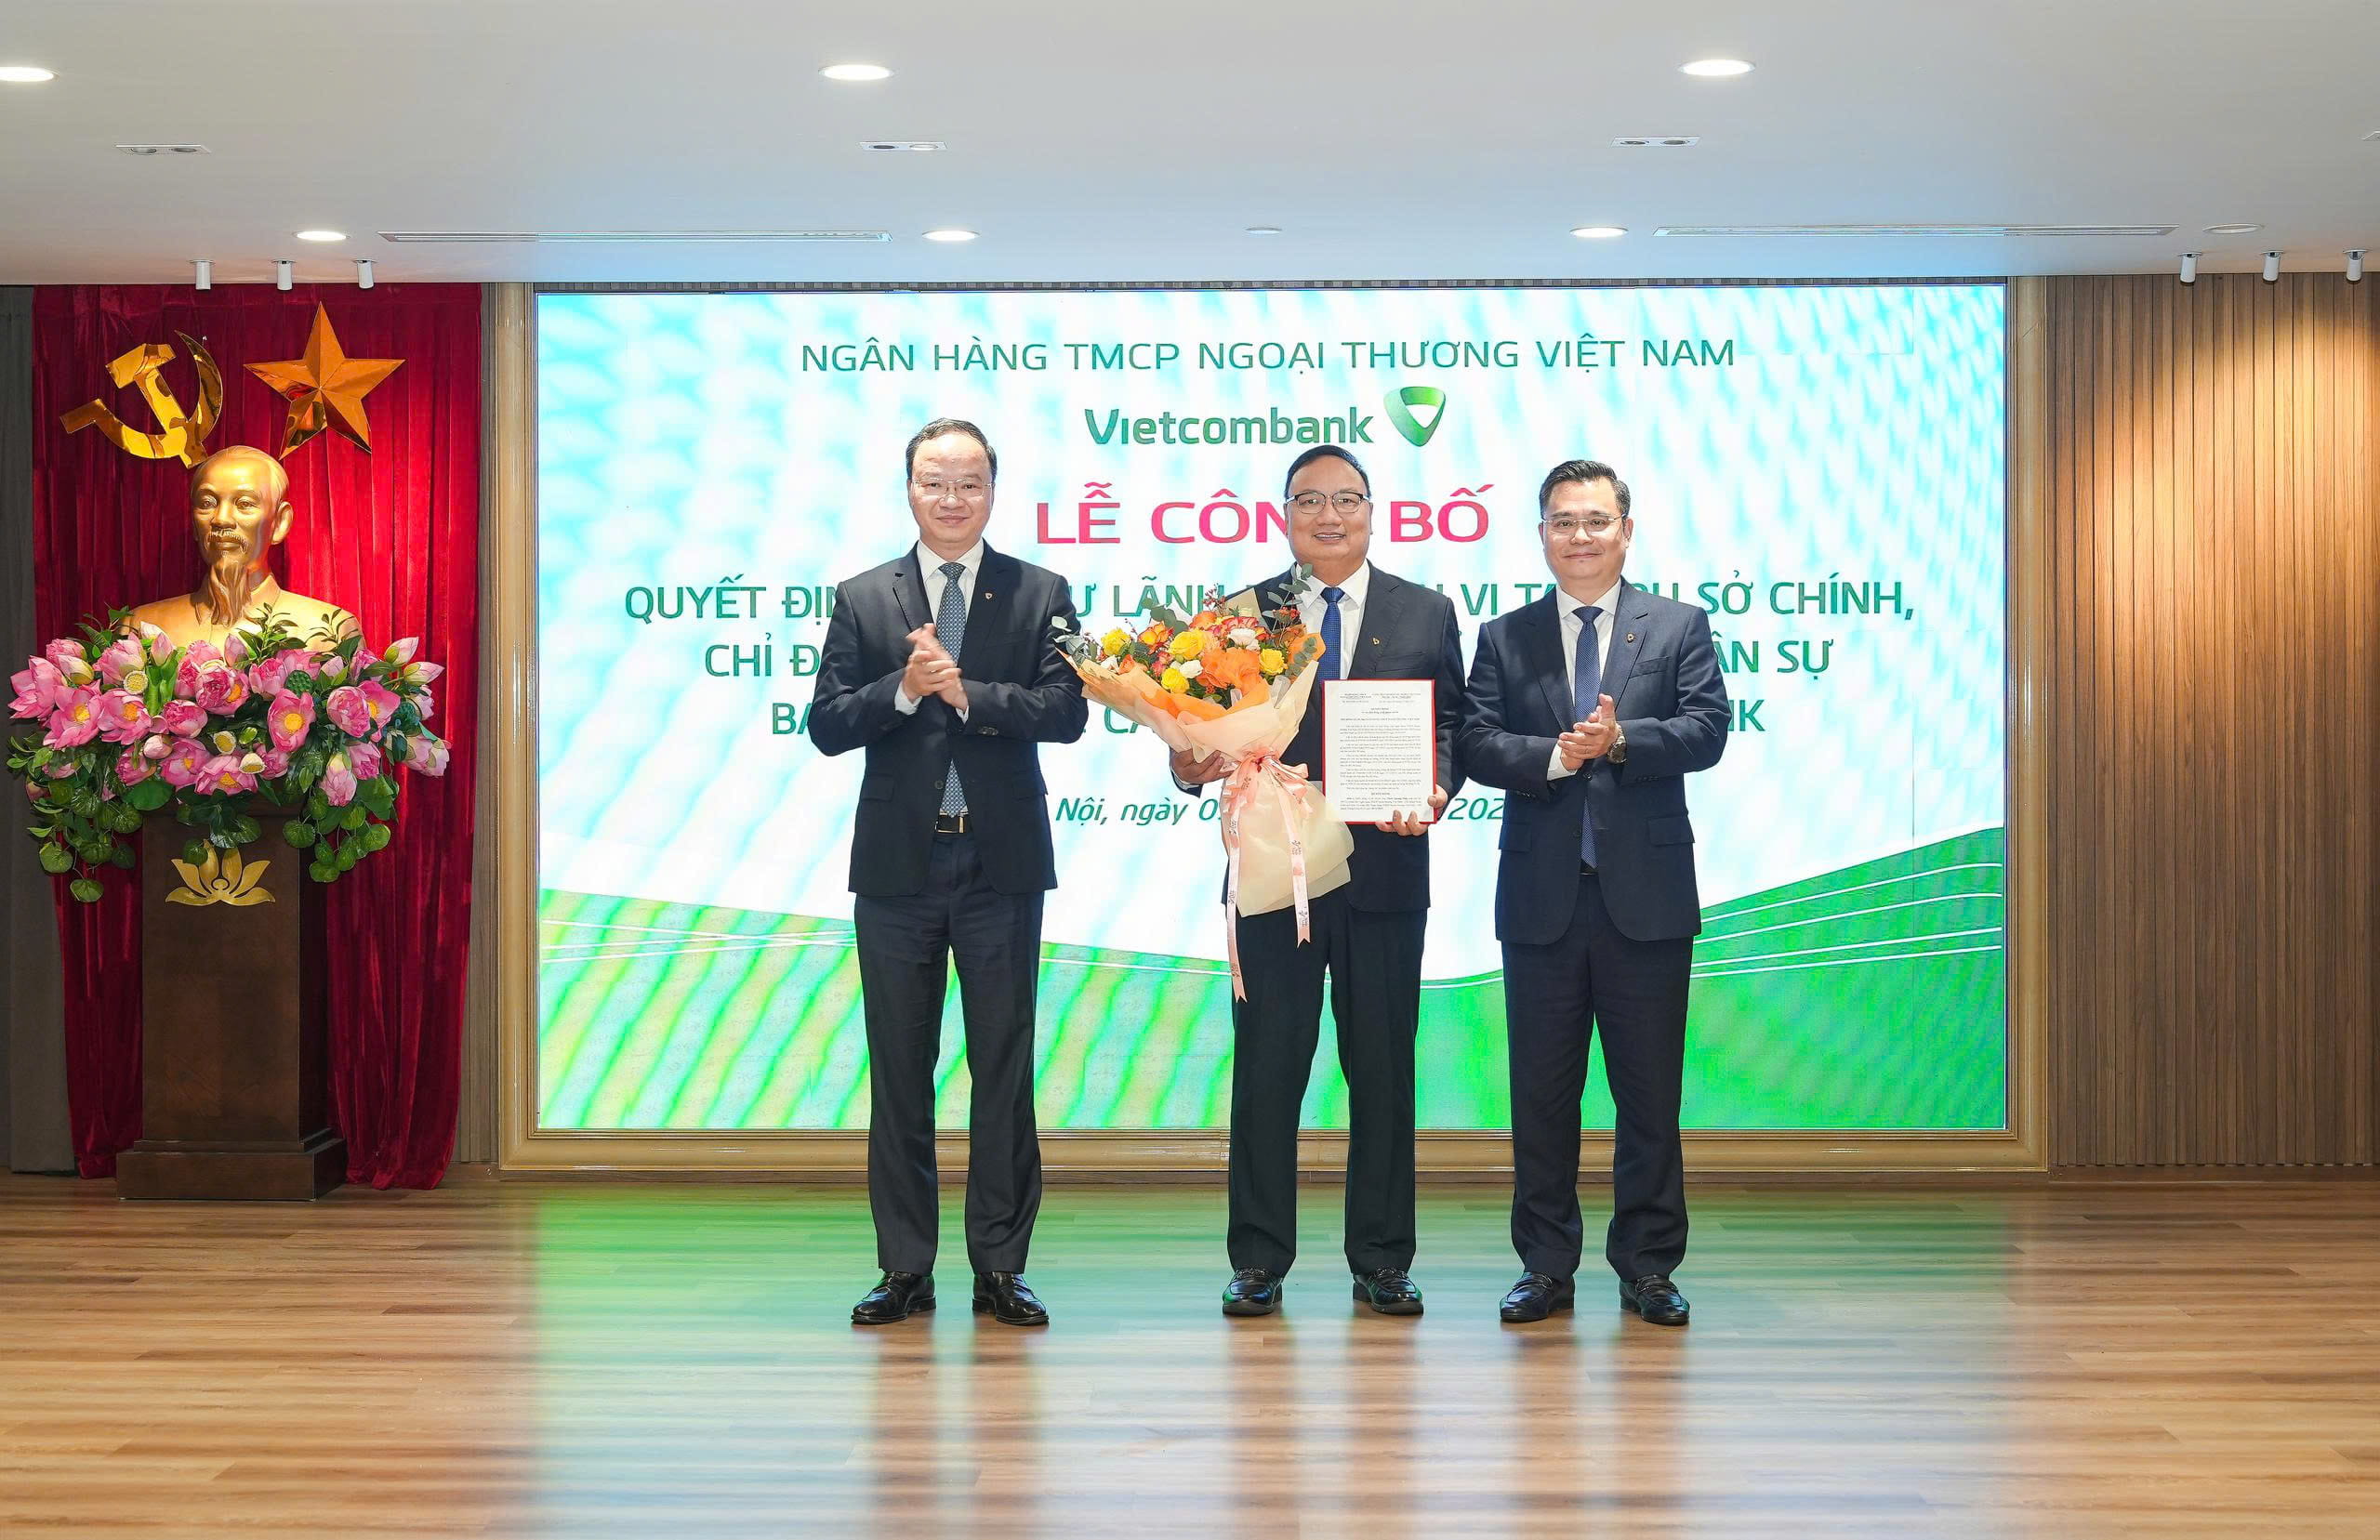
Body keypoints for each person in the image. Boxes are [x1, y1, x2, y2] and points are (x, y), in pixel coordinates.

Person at [1173, 444, 1466, 1318]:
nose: (1328, 516)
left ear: (1374, 512)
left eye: (1346, 500)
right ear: (1284, 515)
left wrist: (1437, 785)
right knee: (1268, 1067)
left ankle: (1383, 1257)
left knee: (1382, 1068)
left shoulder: (1426, 610)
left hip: (1385, 869)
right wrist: (1187, 760)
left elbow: (1452, 723)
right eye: (1309, 501)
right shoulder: (1241, 615)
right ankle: (1258, 1257)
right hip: (1274, 873)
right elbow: (1197, 734)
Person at [810, 418, 1088, 1327]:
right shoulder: (863, 597)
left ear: (993, 491)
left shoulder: (1041, 591)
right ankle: (905, 1267)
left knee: (1003, 1068)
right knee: (900, 1069)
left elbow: (1067, 712)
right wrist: (904, 689)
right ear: (910, 489)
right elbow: (826, 723)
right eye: (935, 481)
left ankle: (1001, 1266)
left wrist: (968, 691)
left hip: (1000, 864)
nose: (952, 497)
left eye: (969, 481)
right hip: (900, 866)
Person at [1458, 458, 1727, 1327]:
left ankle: (1648, 1265)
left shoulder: (1678, 625)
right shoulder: (1504, 636)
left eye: (1597, 520)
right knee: (1541, 1095)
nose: (1581, 535)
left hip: (1647, 900)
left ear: (1626, 530)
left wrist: (1619, 742)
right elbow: (1474, 742)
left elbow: (1708, 729)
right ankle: (1545, 1264)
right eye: (1564, 521)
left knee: (1650, 1096)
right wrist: (1553, 756)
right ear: (1542, 534)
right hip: (1541, 898)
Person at [126, 445, 358, 649]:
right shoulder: (141, 626)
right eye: (207, 503)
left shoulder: (331, 633)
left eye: (244, 503)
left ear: (279, 522)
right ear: (194, 524)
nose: (221, 519)